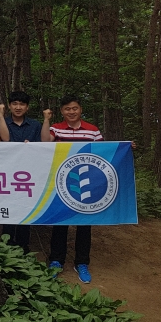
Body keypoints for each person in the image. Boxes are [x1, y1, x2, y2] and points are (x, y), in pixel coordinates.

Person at [41, 94, 103, 284]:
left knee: (84, 223)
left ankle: (82, 262)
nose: (71, 112)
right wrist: (46, 120)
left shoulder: (93, 130)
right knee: (60, 222)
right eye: (67, 109)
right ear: (62, 111)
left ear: (80, 109)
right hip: (61, 182)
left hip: (87, 183)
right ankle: (56, 260)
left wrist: (125, 147)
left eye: (74, 108)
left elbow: (103, 154)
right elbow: (44, 143)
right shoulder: (56, 128)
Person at [0, 91, 42, 253]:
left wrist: (32, 147)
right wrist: (0, 116)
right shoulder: (1, 122)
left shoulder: (35, 125)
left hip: (28, 174)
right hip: (6, 172)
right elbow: (3, 140)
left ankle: (23, 245)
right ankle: (6, 243)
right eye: (14, 104)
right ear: (9, 106)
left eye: (22, 104)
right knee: (8, 206)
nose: (18, 107)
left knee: (25, 207)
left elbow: (42, 147)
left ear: (27, 107)